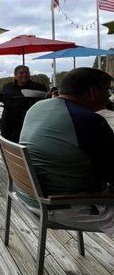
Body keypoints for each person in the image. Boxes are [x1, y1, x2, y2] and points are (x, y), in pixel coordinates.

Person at [18, 68, 114, 234]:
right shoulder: (88, 120)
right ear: (93, 92)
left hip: (28, 195)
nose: (109, 95)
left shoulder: (38, 107)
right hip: (62, 204)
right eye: (108, 90)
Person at [0, 65, 47, 143]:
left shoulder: (39, 87)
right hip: (9, 123)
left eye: (26, 72)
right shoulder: (7, 87)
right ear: (15, 75)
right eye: (21, 73)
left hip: (29, 123)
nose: (24, 75)